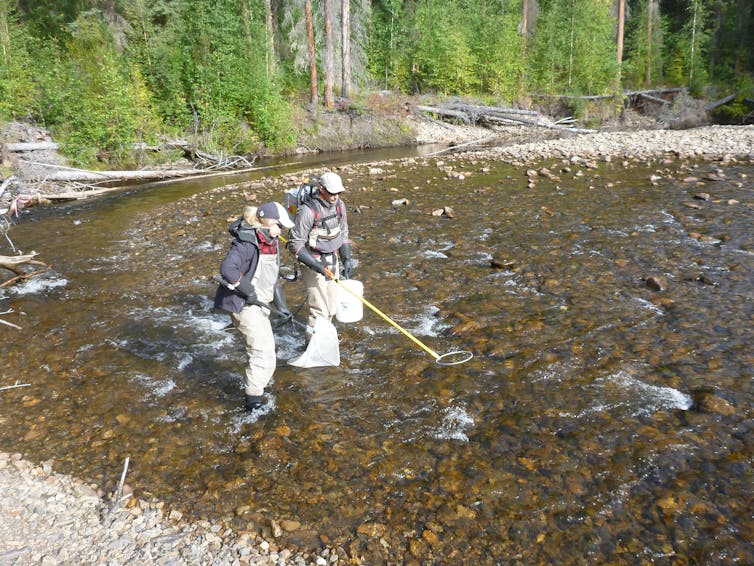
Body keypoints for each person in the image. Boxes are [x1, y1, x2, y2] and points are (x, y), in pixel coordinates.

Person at [214, 202, 294, 411]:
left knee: (262, 353)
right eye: (280, 225)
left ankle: (255, 388)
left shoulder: (270, 240)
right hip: (245, 305)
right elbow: (228, 269)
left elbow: (271, 278)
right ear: (267, 222)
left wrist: (282, 307)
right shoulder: (247, 243)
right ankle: (253, 406)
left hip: (261, 304)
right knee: (265, 356)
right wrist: (248, 291)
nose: (282, 230)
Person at [287, 171, 353, 330]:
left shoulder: (339, 205)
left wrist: (347, 259)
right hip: (312, 262)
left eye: (338, 192)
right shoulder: (307, 211)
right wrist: (316, 266)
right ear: (321, 189)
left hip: (333, 260)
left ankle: (325, 341)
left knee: (331, 308)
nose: (335, 196)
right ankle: (313, 346)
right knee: (320, 310)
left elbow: (343, 233)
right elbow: (295, 244)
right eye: (331, 192)